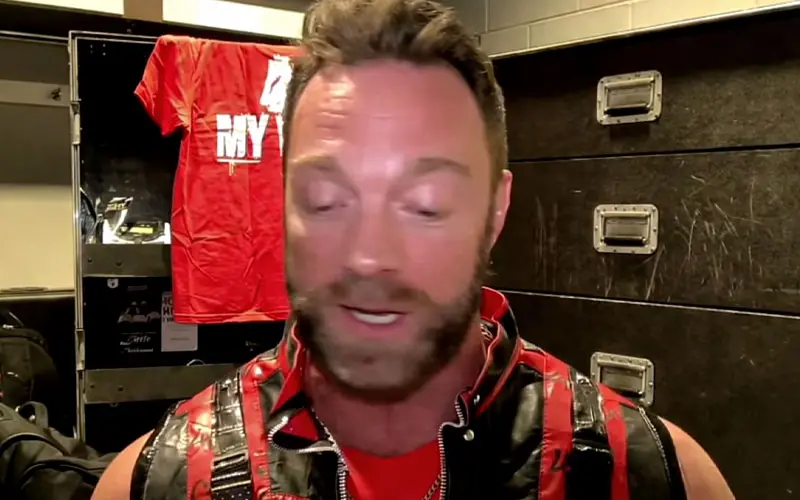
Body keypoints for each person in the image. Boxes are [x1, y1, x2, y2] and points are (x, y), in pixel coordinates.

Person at [93, 0, 734, 498]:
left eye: (426, 205)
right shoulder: (160, 482)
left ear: (494, 213)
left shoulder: (646, 476)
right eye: (326, 200)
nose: (370, 257)